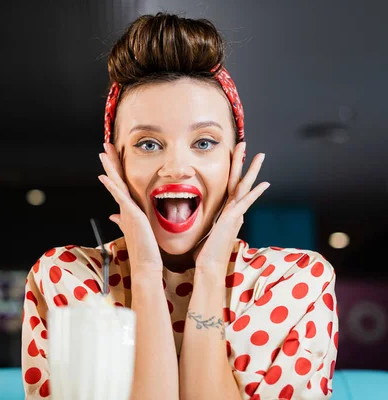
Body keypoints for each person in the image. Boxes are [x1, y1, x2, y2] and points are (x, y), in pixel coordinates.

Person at [21, 12, 338, 400]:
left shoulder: (292, 281)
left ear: (233, 162)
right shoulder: (67, 278)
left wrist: (210, 273)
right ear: (116, 162)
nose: (175, 168)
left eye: (204, 143)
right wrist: (145, 270)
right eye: (148, 144)